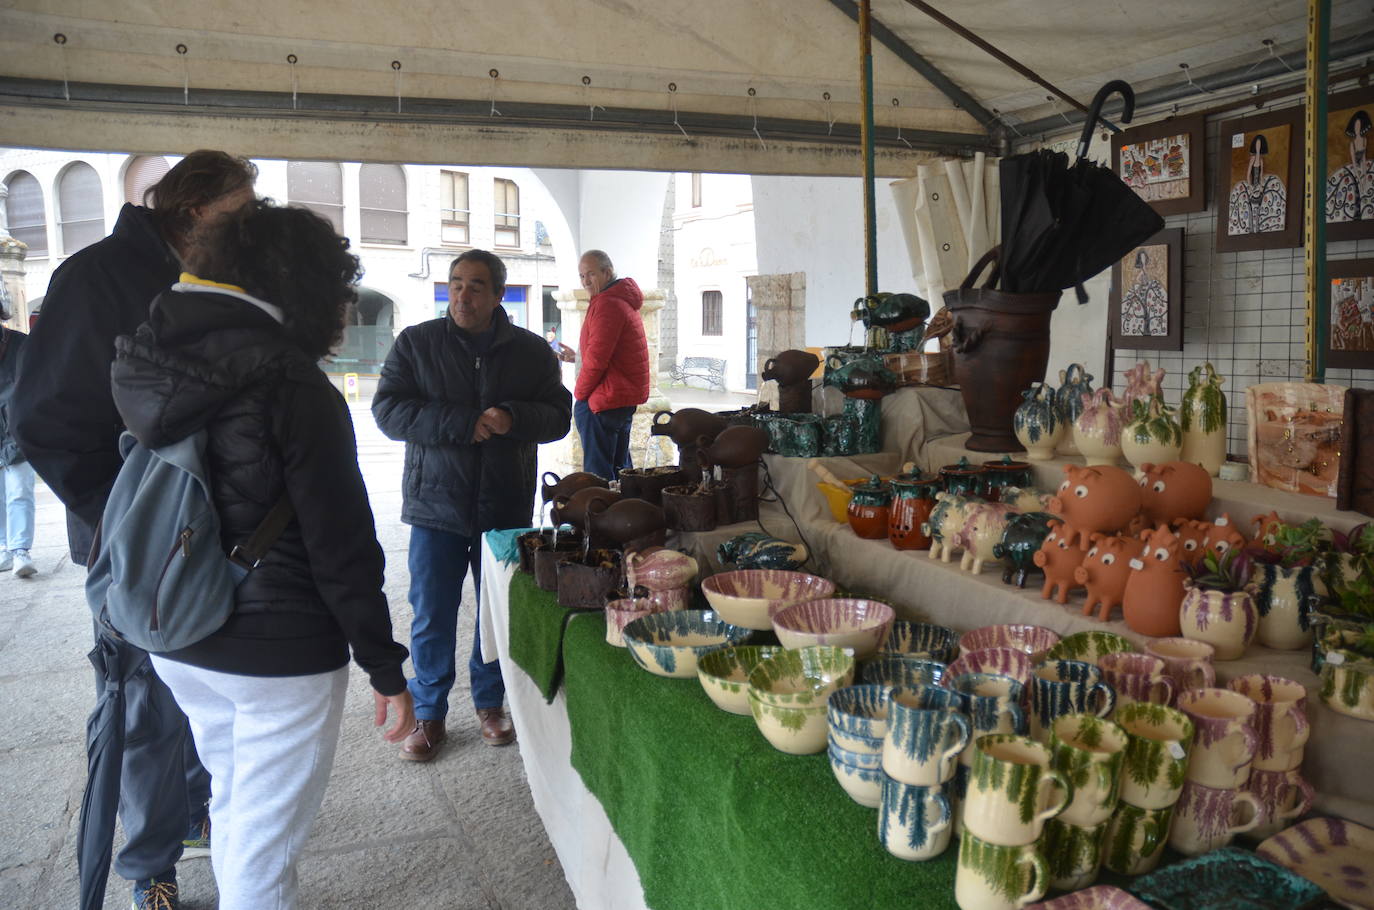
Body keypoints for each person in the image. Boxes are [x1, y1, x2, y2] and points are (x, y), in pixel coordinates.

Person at [110, 199, 414, 910]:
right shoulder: (294, 383)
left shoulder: (154, 354)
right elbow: (341, 547)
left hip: (177, 628)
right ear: (303, 285)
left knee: (237, 795)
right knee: (262, 836)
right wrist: (384, 665)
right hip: (275, 651)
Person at [10, 150, 256, 909]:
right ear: (191, 209)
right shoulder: (95, 278)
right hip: (135, 550)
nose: (249, 228)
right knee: (145, 707)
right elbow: (44, 419)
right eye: (238, 213)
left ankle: (198, 816)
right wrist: (124, 521)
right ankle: (150, 870)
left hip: (217, 540)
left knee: (212, 693)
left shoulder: (219, 277)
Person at [373, 250, 570, 759]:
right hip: (434, 505)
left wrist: (511, 417)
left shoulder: (531, 352)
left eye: (476, 286)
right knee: (431, 613)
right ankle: (429, 713)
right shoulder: (416, 344)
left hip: (502, 506)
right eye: (456, 284)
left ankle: (490, 703)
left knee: (495, 611)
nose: (463, 294)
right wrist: (462, 423)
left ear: (499, 294)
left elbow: (557, 416)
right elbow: (389, 412)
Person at [573, 250, 649, 480]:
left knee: (599, 477)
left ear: (607, 272)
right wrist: (574, 357)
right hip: (619, 397)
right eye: (582, 276)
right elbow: (608, 352)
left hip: (604, 400)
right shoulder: (618, 301)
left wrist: (580, 395)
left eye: (591, 274)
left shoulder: (607, 304)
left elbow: (597, 360)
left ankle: (602, 514)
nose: (586, 281)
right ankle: (624, 513)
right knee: (621, 471)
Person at [0, 310, 36, 578]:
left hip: (18, 430)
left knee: (19, 491)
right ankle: (3, 548)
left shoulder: (21, 345)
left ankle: (20, 549)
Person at [1227, 133, 1287, 235]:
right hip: (1251, 185)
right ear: (1255, 146)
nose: (1258, 146)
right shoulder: (1252, 159)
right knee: (1249, 204)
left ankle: (1258, 226)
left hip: (1258, 184)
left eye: (1260, 145)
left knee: (1261, 203)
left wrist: (1261, 185)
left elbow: (1261, 173)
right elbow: (1248, 174)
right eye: (1257, 145)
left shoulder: (1262, 160)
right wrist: (1250, 185)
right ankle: (1250, 226)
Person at [1326, 109, 1373, 224]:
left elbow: (1363, 159)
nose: (1358, 127)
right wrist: (1359, 178)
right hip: (1353, 169)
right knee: (1352, 188)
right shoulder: (1352, 144)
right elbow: (1354, 161)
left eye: (1359, 125)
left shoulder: (1364, 140)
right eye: (1356, 125)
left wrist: (1365, 175)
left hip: (1362, 166)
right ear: (1353, 127)